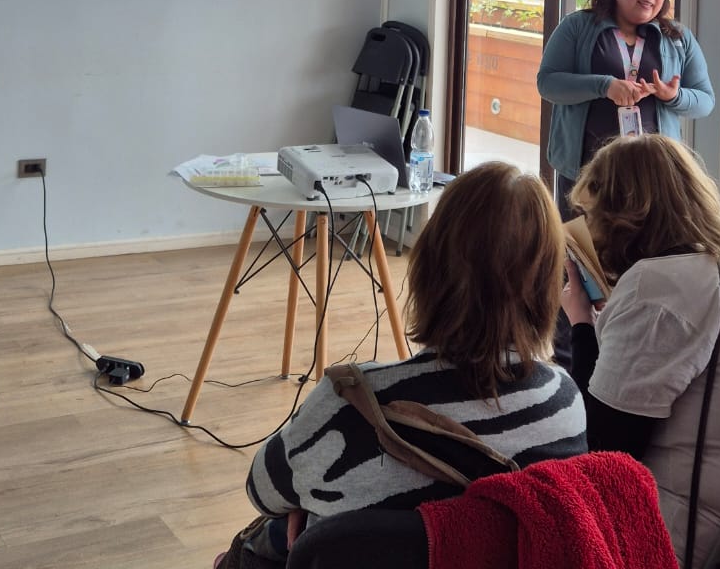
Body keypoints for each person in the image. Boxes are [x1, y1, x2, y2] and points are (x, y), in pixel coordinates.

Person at [221, 163, 587, 567]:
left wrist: (311, 501)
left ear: (427, 267)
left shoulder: (345, 404)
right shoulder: (565, 404)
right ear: (549, 282)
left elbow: (262, 491)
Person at [560, 134, 720, 569]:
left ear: (621, 218)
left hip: (700, 543)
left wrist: (580, 326)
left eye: (590, 216)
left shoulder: (660, 287)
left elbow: (599, 452)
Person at [536, 0, 715, 218]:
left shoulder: (678, 37)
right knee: (582, 255)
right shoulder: (576, 26)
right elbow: (547, 83)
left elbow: (705, 101)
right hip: (586, 172)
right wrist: (604, 86)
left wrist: (673, 97)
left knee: (646, 256)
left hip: (654, 177)